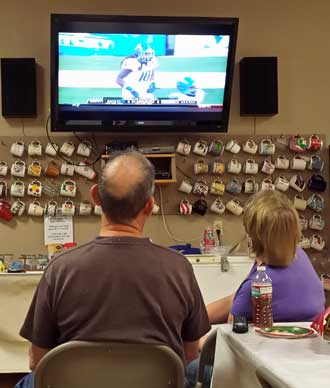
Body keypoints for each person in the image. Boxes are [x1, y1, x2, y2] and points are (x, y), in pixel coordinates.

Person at [16, 151, 210, 388]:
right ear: (150, 205)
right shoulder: (179, 268)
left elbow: (38, 361)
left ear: (96, 196)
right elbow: (189, 357)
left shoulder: (59, 269)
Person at [187, 190, 325, 388]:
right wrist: (195, 316)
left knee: (185, 366)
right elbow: (236, 299)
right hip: (302, 361)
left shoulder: (257, 284)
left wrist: (189, 337)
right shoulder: (299, 256)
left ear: (254, 235)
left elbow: (226, 345)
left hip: (262, 373)